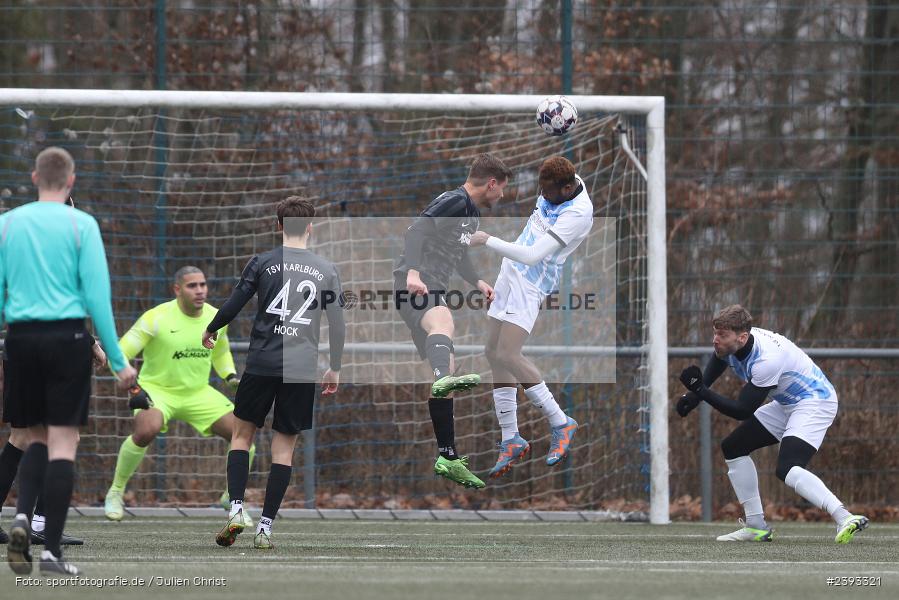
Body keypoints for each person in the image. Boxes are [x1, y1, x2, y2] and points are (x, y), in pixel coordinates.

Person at [0, 147, 136, 576]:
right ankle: (51, 553)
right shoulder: (83, 225)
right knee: (61, 443)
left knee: (32, 436)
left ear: (34, 176)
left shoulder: (8, 224)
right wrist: (118, 362)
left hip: (20, 339)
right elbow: (97, 299)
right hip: (67, 339)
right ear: (71, 180)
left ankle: (22, 517)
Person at [203, 197, 344, 550]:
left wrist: (212, 328)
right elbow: (338, 324)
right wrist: (336, 366)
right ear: (310, 227)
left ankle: (236, 509)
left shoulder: (262, 262)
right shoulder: (326, 269)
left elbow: (234, 304)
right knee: (284, 451)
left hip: (262, 363)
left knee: (241, 437)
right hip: (301, 368)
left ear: (277, 225)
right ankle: (265, 528)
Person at [676, 304, 869, 543]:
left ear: (742, 336)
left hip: (815, 401)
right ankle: (756, 526)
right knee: (734, 447)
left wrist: (700, 391)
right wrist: (694, 396)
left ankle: (845, 517)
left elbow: (742, 411)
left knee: (787, 467)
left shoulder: (766, 360)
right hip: (787, 402)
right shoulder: (736, 341)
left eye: (721, 335)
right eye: (715, 333)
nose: (715, 340)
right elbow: (719, 360)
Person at [102, 266, 254, 528]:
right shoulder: (156, 318)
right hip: (157, 391)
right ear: (177, 289)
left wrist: (230, 377)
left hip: (198, 392)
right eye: (192, 286)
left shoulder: (217, 317)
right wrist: (134, 388)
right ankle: (115, 492)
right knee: (146, 429)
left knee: (245, 437)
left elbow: (220, 352)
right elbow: (120, 353)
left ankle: (232, 499)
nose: (200, 291)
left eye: (203, 285)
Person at [468, 156, 589, 478]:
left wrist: (487, 239)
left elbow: (534, 255)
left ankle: (561, 422)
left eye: (549, 193)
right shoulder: (560, 182)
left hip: (531, 282)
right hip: (510, 272)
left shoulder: (577, 213)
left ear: (567, 188)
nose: (544, 197)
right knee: (493, 353)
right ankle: (511, 438)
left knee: (509, 353)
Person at [393, 153, 509, 489]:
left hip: (430, 284)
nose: (501, 195)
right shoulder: (454, 201)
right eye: (501, 188)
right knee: (444, 323)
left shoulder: (468, 213)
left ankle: (448, 455)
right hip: (416, 282)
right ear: (491, 183)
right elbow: (415, 232)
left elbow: (457, 253)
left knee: (447, 371)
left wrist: (478, 282)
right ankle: (444, 378)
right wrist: (413, 273)